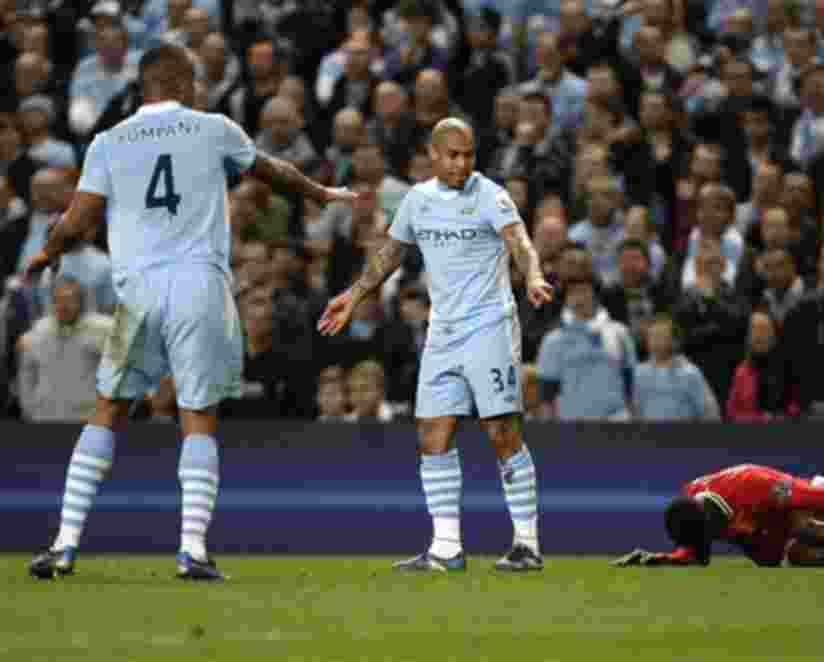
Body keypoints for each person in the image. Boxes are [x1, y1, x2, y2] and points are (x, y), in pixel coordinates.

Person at [25, 45, 357, 582]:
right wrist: (321, 191)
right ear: (181, 81)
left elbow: (77, 218)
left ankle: (63, 545)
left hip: (138, 293)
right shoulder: (212, 128)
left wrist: (48, 251)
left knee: (109, 407)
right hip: (198, 287)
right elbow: (271, 171)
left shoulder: (109, 141)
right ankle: (192, 551)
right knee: (196, 412)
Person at [319, 117, 554, 573]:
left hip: (489, 327)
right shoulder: (418, 201)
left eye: (468, 155)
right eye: (453, 155)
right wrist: (353, 295)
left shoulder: (491, 194)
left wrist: (535, 274)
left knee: (501, 433)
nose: (462, 163)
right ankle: (446, 547)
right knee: (432, 435)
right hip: (443, 333)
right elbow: (390, 253)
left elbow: (519, 241)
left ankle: (527, 544)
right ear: (434, 154)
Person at [613, 463, 824, 568]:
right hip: (776, 542)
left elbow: (823, 496)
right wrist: (664, 559)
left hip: (814, 503)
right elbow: (695, 554)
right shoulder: (693, 511)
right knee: (807, 555)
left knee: (806, 526)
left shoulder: (753, 484)